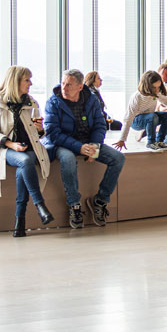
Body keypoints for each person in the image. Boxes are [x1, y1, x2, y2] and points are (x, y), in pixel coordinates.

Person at [43, 69, 126, 229]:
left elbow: (100, 125)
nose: (64, 88)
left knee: (118, 158)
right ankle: (74, 205)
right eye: (63, 83)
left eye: (69, 85)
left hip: (88, 143)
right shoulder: (53, 102)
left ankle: (100, 201)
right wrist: (79, 148)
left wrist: (94, 148)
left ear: (80, 87)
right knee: (67, 159)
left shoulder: (91, 100)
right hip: (64, 144)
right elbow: (53, 134)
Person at [0, 66, 54, 237]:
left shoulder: (31, 103)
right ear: (16, 81)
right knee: (25, 161)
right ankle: (40, 205)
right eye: (27, 80)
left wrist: (40, 129)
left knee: (25, 164)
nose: (31, 83)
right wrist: (11, 144)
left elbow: (38, 135)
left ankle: (19, 223)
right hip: (5, 149)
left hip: (28, 149)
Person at [113, 71, 167, 152]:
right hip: (136, 121)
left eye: (158, 87)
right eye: (154, 87)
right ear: (147, 86)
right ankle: (151, 142)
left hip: (150, 118)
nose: (156, 90)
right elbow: (128, 118)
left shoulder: (156, 94)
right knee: (152, 116)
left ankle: (159, 141)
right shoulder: (137, 97)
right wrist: (122, 139)